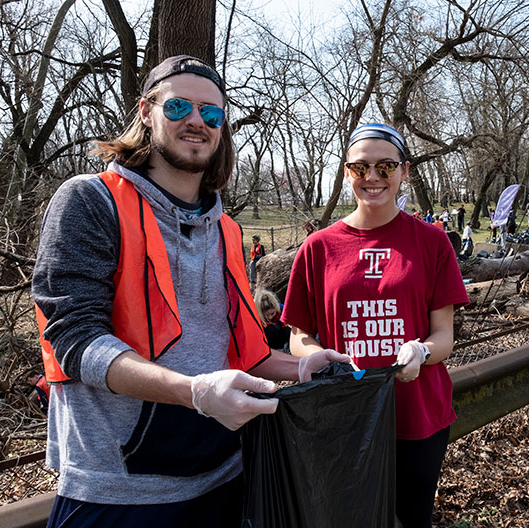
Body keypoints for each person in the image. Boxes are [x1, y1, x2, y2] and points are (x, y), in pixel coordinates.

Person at [31, 55, 347, 527]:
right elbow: (75, 340)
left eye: (211, 113)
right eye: (179, 107)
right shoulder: (90, 200)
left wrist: (299, 365)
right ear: (145, 111)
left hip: (225, 478)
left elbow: (239, 350)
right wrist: (193, 392)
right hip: (119, 493)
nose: (197, 121)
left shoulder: (228, 231)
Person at [282, 123, 469, 528]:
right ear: (346, 172)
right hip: (343, 414)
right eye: (360, 167)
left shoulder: (433, 242)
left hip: (416, 416)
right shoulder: (318, 247)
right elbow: (298, 336)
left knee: (410, 519)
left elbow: (444, 336)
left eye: (385, 167)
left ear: (404, 172)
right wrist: (321, 356)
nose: (372, 178)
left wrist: (422, 351)